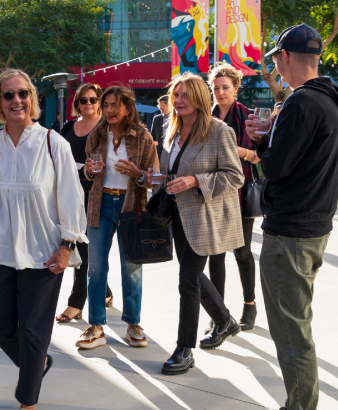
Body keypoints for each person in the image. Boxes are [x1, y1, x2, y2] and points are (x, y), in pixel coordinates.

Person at [0, 69, 87, 410]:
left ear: (32, 99)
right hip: (3, 251)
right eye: (8, 95)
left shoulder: (52, 142)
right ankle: (39, 365)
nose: (16, 100)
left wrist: (67, 247)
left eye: (23, 94)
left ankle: (27, 401)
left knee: (34, 334)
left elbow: (71, 198)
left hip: (44, 253)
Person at [246, 24, 338, 410]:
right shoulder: (329, 99)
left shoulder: (300, 102)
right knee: (296, 324)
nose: (276, 69)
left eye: (276, 60)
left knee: (290, 332)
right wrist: (272, 134)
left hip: (291, 232)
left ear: (285, 57)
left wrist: (261, 143)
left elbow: (277, 166)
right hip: (314, 225)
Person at [158, 72, 245, 376]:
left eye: (184, 95)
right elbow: (168, 171)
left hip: (206, 218)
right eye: (175, 96)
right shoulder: (171, 129)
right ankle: (224, 320)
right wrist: (148, 176)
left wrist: (196, 180)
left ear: (198, 97)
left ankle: (184, 349)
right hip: (177, 215)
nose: (178, 101)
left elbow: (236, 176)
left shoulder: (219, 131)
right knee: (192, 276)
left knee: (187, 280)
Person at [76, 86, 157, 351]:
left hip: (130, 206)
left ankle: (133, 323)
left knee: (131, 267)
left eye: (114, 105)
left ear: (128, 108)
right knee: (96, 267)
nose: (108, 110)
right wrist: (89, 170)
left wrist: (138, 173)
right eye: (106, 105)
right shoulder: (97, 134)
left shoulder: (143, 138)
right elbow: (91, 171)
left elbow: (154, 179)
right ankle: (96, 325)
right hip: (99, 205)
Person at [204, 63, 261, 332]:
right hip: (213, 190)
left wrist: (229, 147)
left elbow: (257, 155)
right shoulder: (207, 117)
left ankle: (249, 304)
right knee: (215, 254)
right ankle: (220, 314)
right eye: (215, 88)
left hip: (240, 190)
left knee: (242, 251)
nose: (220, 92)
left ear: (236, 88)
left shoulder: (247, 116)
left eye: (225, 87)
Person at [55, 83, 114, 323]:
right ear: (77, 103)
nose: (87, 104)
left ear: (99, 101)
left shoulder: (108, 127)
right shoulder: (69, 126)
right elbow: (56, 154)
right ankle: (106, 291)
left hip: (96, 192)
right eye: (83, 100)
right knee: (78, 242)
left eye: (92, 99)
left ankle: (75, 303)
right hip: (70, 190)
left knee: (83, 245)